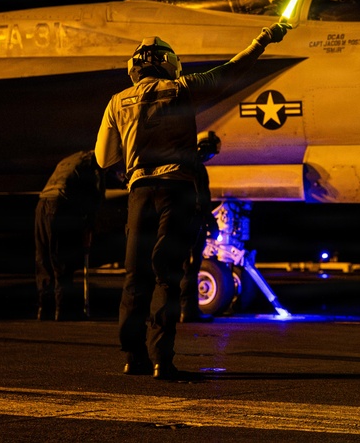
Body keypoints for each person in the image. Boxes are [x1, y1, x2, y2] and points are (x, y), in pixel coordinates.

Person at [95, 24, 289, 380]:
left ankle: (132, 356)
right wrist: (262, 39)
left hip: (139, 193)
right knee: (167, 277)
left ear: (134, 67)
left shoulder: (116, 101)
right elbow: (232, 71)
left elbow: (104, 158)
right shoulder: (182, 88)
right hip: (176, 191)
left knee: (135, 277)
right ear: (168, 62)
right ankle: (161, 360)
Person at [34, 150, 106, 321]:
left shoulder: (73, 158)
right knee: (61, 260)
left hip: (42, 203)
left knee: (44, 259)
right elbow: (96, 195)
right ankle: (62, 310)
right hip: (59, 204)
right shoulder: (95, 162)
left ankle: (44, 309)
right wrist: (91, 222)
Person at [180, 130, 222, 323]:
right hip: (192, 225)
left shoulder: (185, 165)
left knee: (185, 268)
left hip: (184, 223)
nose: (211, 156)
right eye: (210, 151)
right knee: (190, 268)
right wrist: (210, 223)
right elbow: (201, 200)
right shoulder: (195, 168)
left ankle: (182, 309)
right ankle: (188, 311)